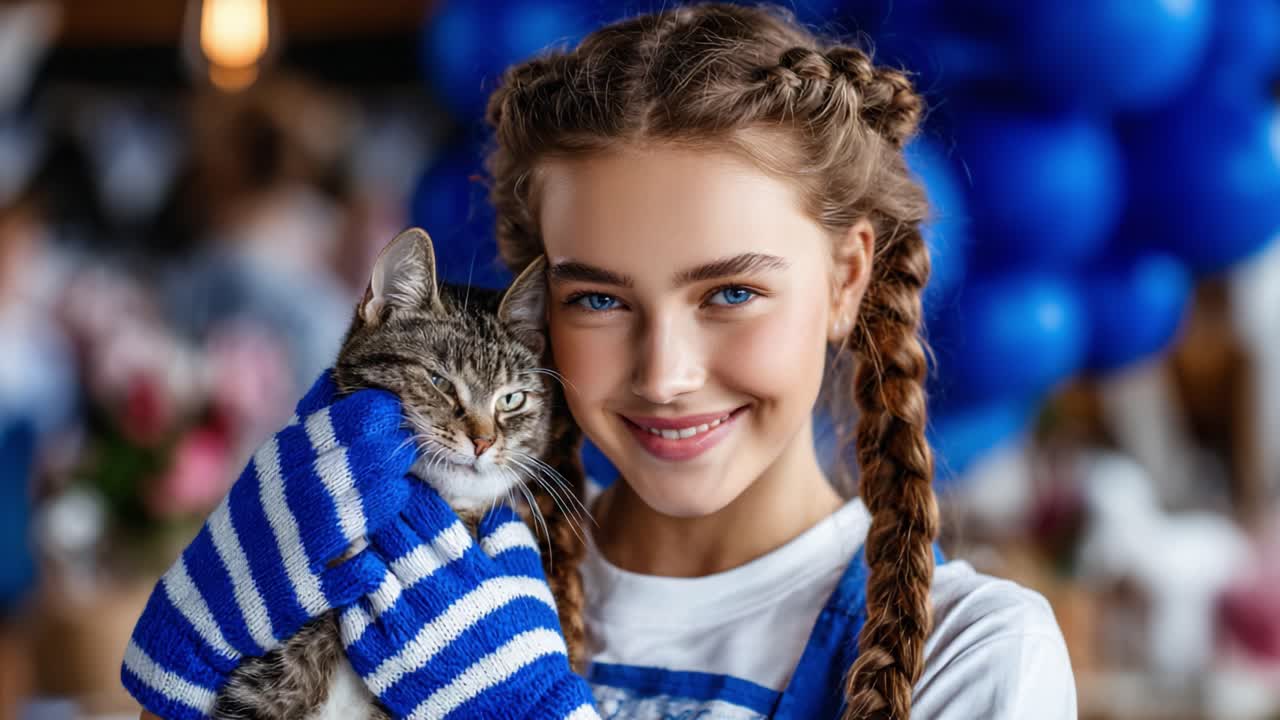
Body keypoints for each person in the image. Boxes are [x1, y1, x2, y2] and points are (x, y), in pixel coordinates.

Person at [127, 3, 1075, 718]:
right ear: (533, 322)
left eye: (730, 293)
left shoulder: (975, 652)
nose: (665, 373)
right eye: (599, 300)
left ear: (843, 279)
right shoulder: (421, 584)